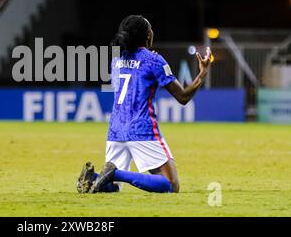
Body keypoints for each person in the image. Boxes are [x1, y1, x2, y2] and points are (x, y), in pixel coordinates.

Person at [77, 15, 212, 194]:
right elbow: (183, 97)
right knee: (170, 185)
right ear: (148, 36)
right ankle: (115, 173)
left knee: (111, 188)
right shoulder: (153, 60)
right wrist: (202, 74)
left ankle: (94, 178)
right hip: (142, 129)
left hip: (115, 130)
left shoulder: (116, 61)